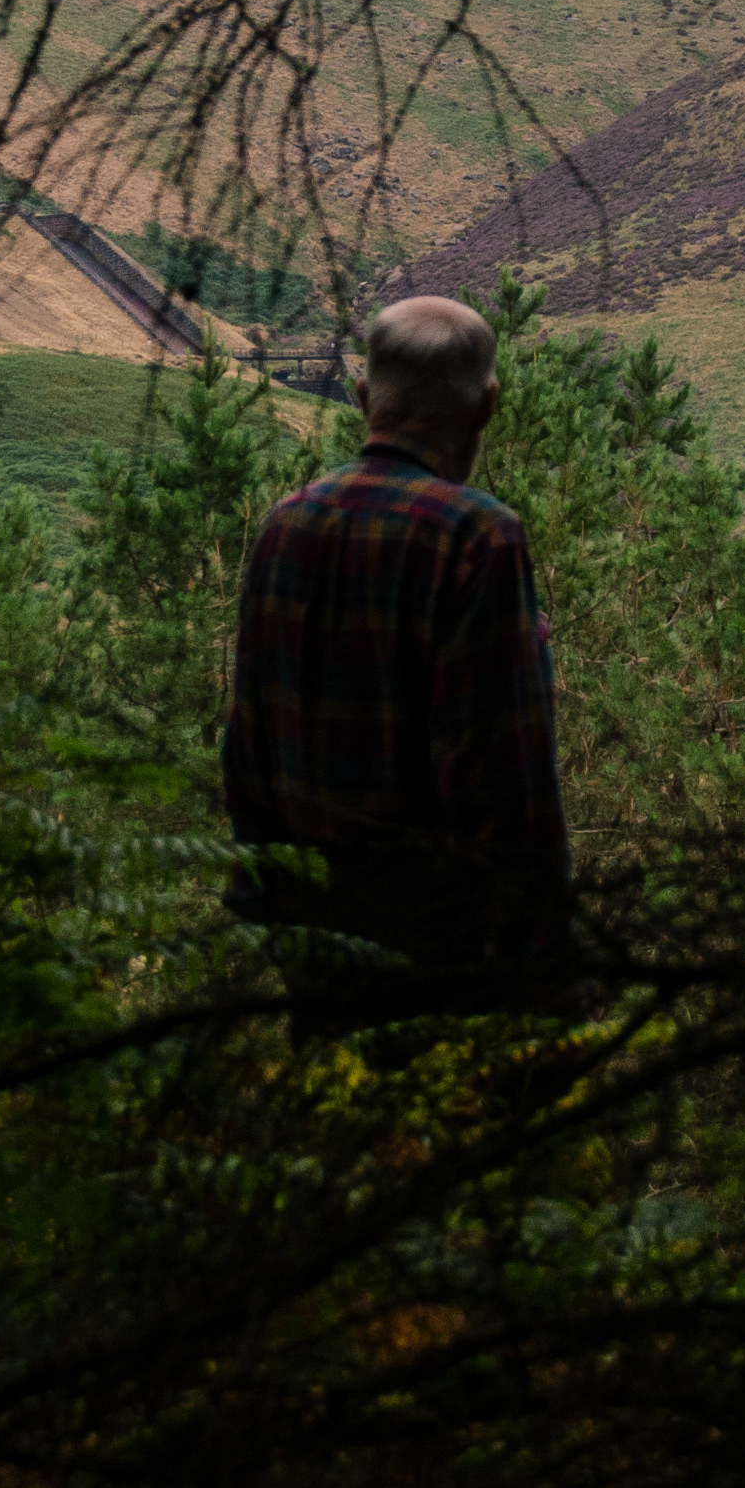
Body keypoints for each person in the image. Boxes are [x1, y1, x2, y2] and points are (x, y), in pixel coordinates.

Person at [221, 295, 570, 999]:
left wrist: (269, 904)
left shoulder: (285, 524)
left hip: (313, 938)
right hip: (440, 949)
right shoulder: (477, 538)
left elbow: (247, 745)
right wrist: (545, 962)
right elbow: (506, 782)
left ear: (362, 398)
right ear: (487, 406)